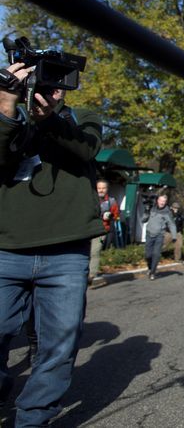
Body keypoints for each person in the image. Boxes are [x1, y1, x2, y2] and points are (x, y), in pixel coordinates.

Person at [0, 62, 103, 425]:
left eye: (59, 80)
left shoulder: (81, 116)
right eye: (44, 77)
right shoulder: (8, 112)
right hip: (7, 246)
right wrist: (8, 104)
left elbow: (86, 149)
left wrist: (48, 120)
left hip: (66, 251)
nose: (52, 86)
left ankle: (32, 420)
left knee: (58, 345)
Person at [141, 194, 176, 280]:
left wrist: (174, 236)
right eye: (161, 201)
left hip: (159, 235)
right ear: (158, 200)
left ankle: (153, 272)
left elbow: (171, 224)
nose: (162, 203)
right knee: (148, 255)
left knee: (156, 254)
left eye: (164, 201)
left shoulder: (167, 212)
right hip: (149, 234)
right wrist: (146, 211)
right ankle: (150, 268)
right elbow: (143, 220)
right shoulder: (152, 208)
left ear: (166, 202)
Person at [91, 179, 120, 283]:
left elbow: (117, 215)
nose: (101, 190)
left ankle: (91, 275)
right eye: (99, 188)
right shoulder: (90, 199)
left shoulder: (111, 201)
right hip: (89, 230)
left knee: (95, 251)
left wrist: (111, 216)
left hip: (102, 231)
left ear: (107, 189)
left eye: (103, 188)